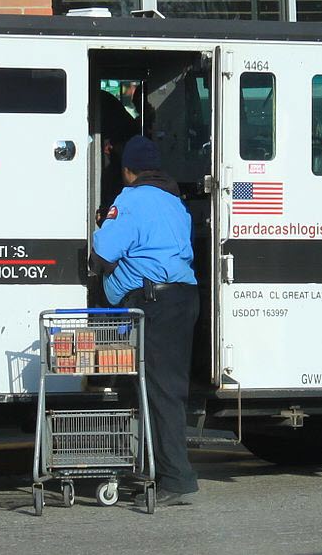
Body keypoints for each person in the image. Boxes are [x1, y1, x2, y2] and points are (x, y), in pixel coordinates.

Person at [91, 135, 199, 506]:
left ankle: (176, 480)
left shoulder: (131, 199)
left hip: (155, 303)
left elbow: (104, 252)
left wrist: (98, 227)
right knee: (159, 389)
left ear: (127, 170)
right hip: (182, 299)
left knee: (161, 391)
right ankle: (151, 468)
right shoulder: (174, 202)